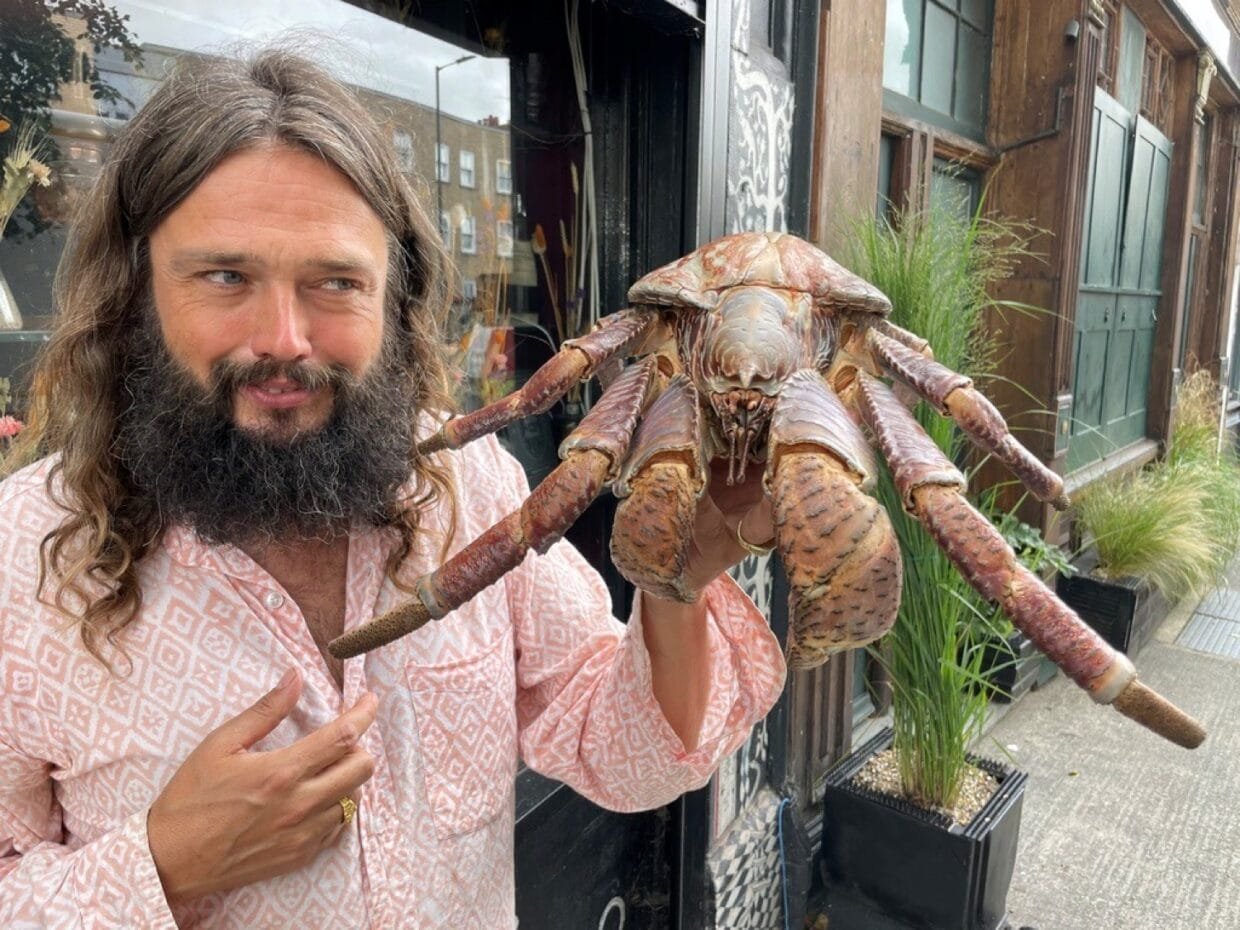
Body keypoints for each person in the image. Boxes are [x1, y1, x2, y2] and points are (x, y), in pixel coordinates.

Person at [0, 49, 785, 928]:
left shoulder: (467, 487)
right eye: (225, 276)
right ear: (136, 288)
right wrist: (166, 867)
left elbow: (635, 755)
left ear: (392, 297)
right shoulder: (21, 559)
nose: (284, 338)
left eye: (335, 283)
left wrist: (674, 579)